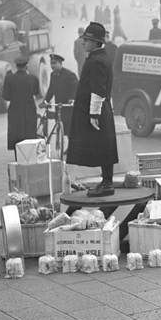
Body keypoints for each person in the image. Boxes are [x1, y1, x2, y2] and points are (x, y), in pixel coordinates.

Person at [67, 22, 119, 197]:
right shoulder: (98, 57)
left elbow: (98, 89)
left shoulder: (96, 61)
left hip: (98, 110)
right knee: (104, 145)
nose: (83, 42)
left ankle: (107, 184)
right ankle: (106, 182)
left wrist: (94, 114)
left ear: (96, 42)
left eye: (87, 40)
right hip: (100, 109)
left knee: (103, 146)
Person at [1, 56, 41, 151]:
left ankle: (18, 155)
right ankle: (30, 155)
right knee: (30, 132)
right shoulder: (33, 78)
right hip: (29, 110)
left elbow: (6, 96)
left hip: (15, 110)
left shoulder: (9, 78)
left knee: (16, 133)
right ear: (26, 66)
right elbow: (36, 93)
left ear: (16, 66)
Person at [42, 53, 79, 136]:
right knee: (62, 130)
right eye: (51, 63)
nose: (52, 66)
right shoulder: (53, 75)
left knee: (70, 129)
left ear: (60, 63)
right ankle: (64, 147)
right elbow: (51, 90)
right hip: (59, 106)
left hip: (69, 107)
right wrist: (45, 101)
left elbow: (75, 89)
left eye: (54, 63)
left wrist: (72, 99)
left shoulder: (70, 75)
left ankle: (72, 147)